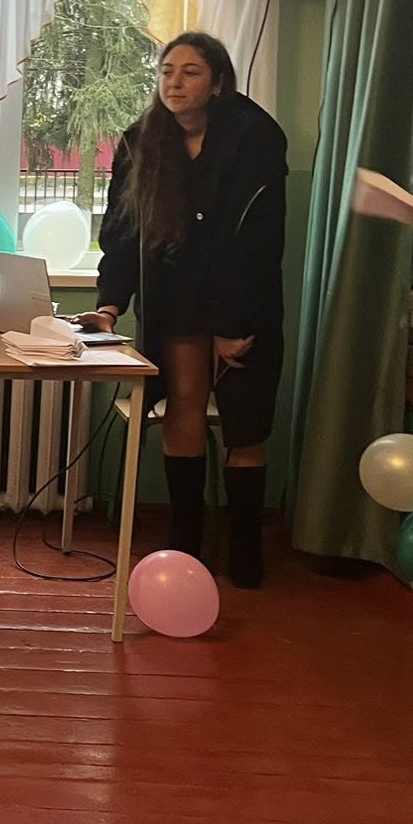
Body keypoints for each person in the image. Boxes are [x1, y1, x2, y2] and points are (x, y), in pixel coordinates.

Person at [79, 32, 288, 589]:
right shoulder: (141, 140)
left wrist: (233, 324)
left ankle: (245, 549)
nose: (174, 82)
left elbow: (258, 242)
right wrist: (110, 304)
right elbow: (122, 232)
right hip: (175, 296)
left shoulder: (255, 138)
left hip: (244, 296)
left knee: (245, 423)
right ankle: (186, 540)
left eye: (191, 72)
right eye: (167, 70)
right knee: (184, 403)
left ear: (218, 83)